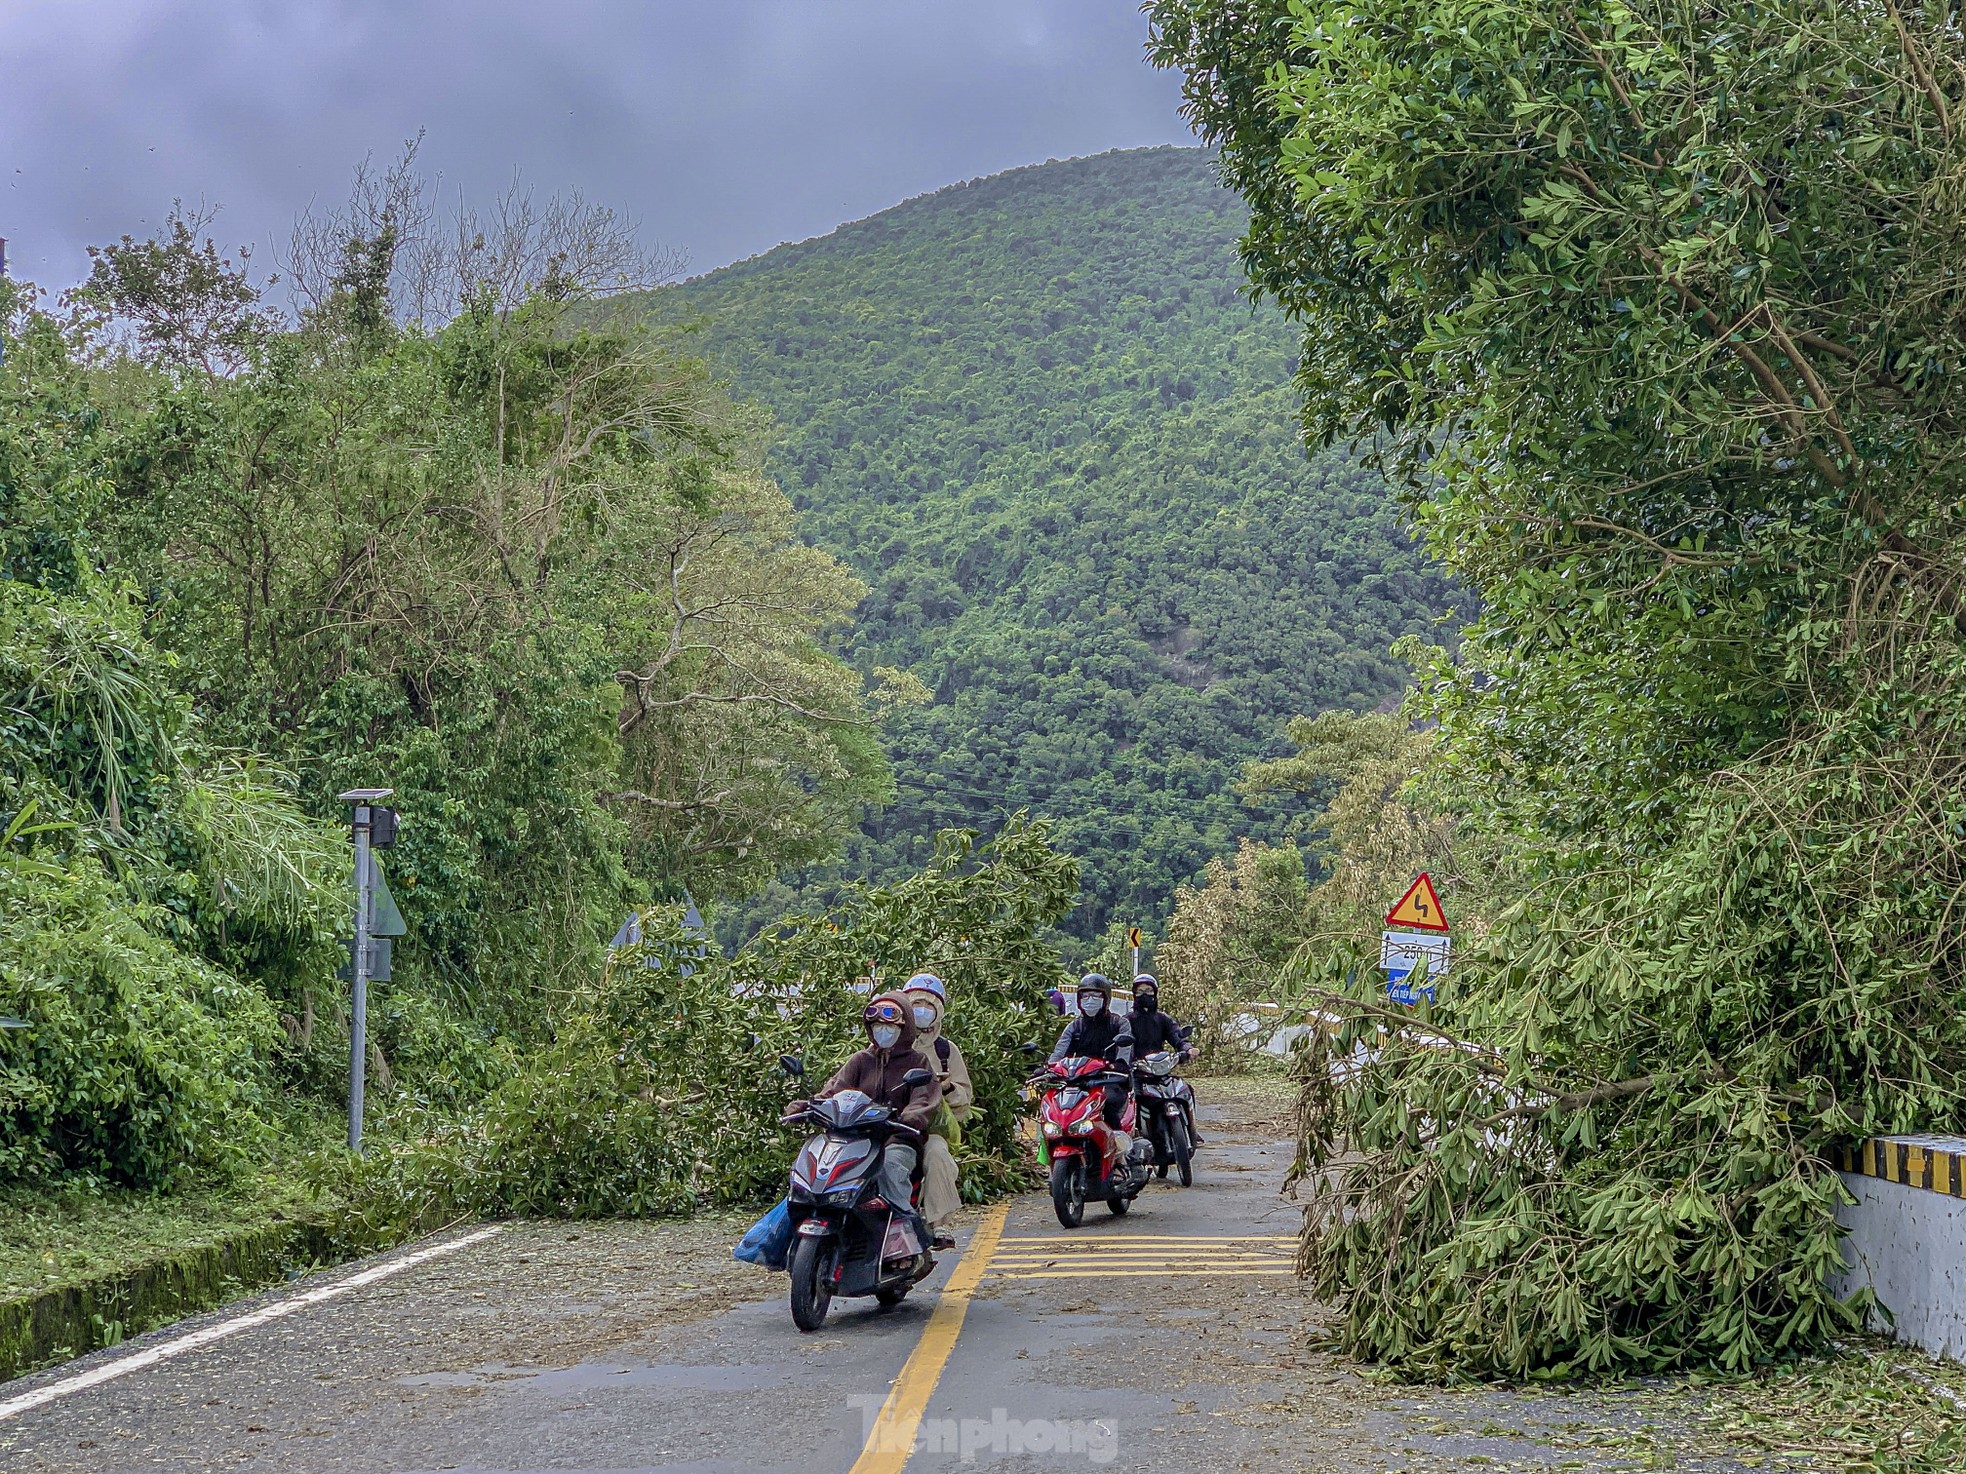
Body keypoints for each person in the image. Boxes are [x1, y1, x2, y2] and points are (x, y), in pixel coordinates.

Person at [805, 993, 939, 1231]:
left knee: (890, 1167)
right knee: (816, 1172)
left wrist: (912, 1116)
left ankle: (905, 1229)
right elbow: (833, 1090)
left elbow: (924, 1099)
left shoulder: (918, 1062)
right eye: (877, 1026)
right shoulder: (860, 1060)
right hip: (854, 1140)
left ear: (904, 1028)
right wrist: (808, 1105)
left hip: (896, 1139)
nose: (883, 1031)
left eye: (890, 1026)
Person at [903, 973, 973, 1249]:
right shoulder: (889, 1043)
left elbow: (964, 1097)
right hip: (890, 1125)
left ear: (938, 1010)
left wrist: (945, 1088)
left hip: (928, 1128)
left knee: (937, 1155)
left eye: (928, 1005)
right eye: (915, 1004)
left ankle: (939, 1224)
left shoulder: (946, 1050)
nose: (921, 1011)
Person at [1048, 973, 1134, 1129]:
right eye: (1085, 995)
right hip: (1077, 1082)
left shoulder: (1119, 1023)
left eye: (1095, 995)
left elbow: (1124, 1050)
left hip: (1109, 1080)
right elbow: (1060, 1050)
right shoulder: (1075, 1026)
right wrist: (1048, 1067)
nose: (1090, 1000)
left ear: (1106, 998)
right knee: (1054, 1108)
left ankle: (1116, 1141)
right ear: (1079, 1000)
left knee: (1110, 1102)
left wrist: (1119, 1064)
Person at [1129, 972, 1202, 1145]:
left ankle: (1192, 1129)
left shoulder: (1163, 1019)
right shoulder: (1127, 1021)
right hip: (1138, 1073)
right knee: (1131, 1098)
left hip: (1161, 1070)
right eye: (1140, 991)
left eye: (1148, 990)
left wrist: (1188, 1049)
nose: (1145, 995)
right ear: (1134, 994)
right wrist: (1126, 1062)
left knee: (1186, 1090)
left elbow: (1177, 1037)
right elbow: (1122, 1046)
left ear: (1155, 993)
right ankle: (1135, 1132)